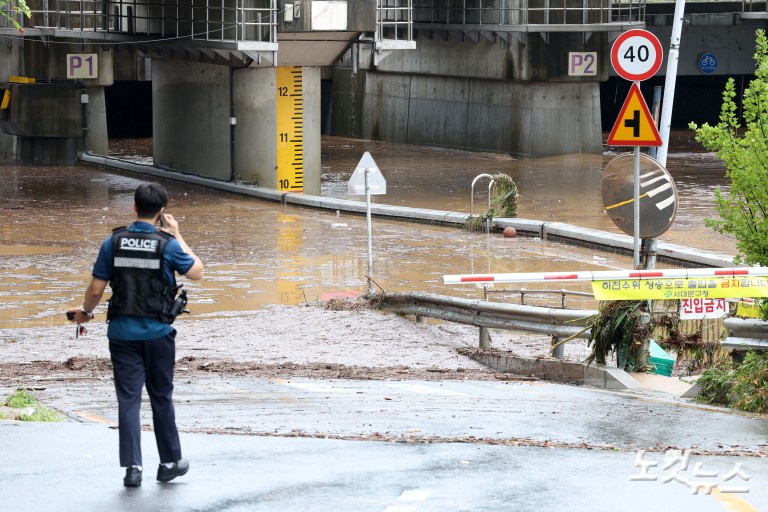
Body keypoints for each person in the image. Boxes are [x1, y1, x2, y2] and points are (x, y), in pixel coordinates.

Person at [67, 182, 204, 488]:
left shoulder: (112, 242)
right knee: (161, 397)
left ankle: (133, 468)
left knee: (128, 400)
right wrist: (178, 233)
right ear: (162, 212)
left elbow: (95, 289)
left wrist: (86, 314)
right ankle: (169, 463)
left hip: (121, 334)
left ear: (134, 207)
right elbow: (197, 271)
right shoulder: (167, 244)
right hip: (157, 334)